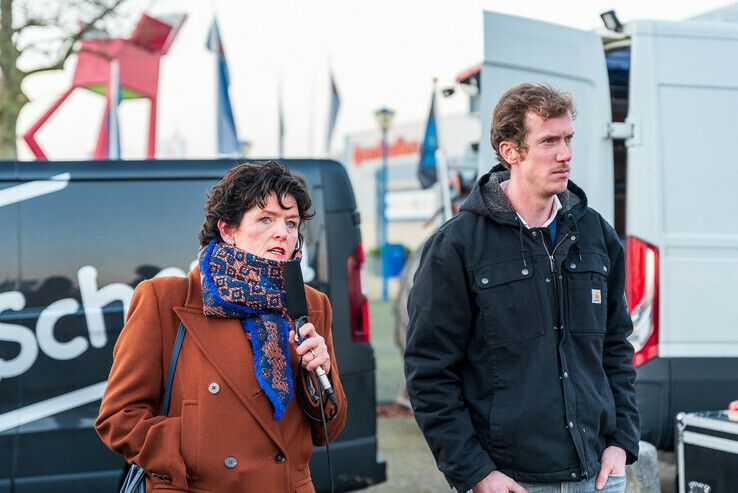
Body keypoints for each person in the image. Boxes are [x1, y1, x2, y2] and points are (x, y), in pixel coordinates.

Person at [404, 84, 639, 493]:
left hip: (598, 475)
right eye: (549, 141)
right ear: (510, 151)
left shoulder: (596, 234)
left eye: (567, 139)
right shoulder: (457, 246)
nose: (565, 153)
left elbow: (616, 346)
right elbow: (429, 373)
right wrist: (475, 473)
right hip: (512, 483)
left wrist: (622, 441)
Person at [96, 161, 347, 492]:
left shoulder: (311, 304)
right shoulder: (165, 299)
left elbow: (329, 427)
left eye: (291, 223)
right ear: (228, 229)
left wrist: (317, 375)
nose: (282, 233)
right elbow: (118, 417)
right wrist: (194, 447)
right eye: (266, 219)